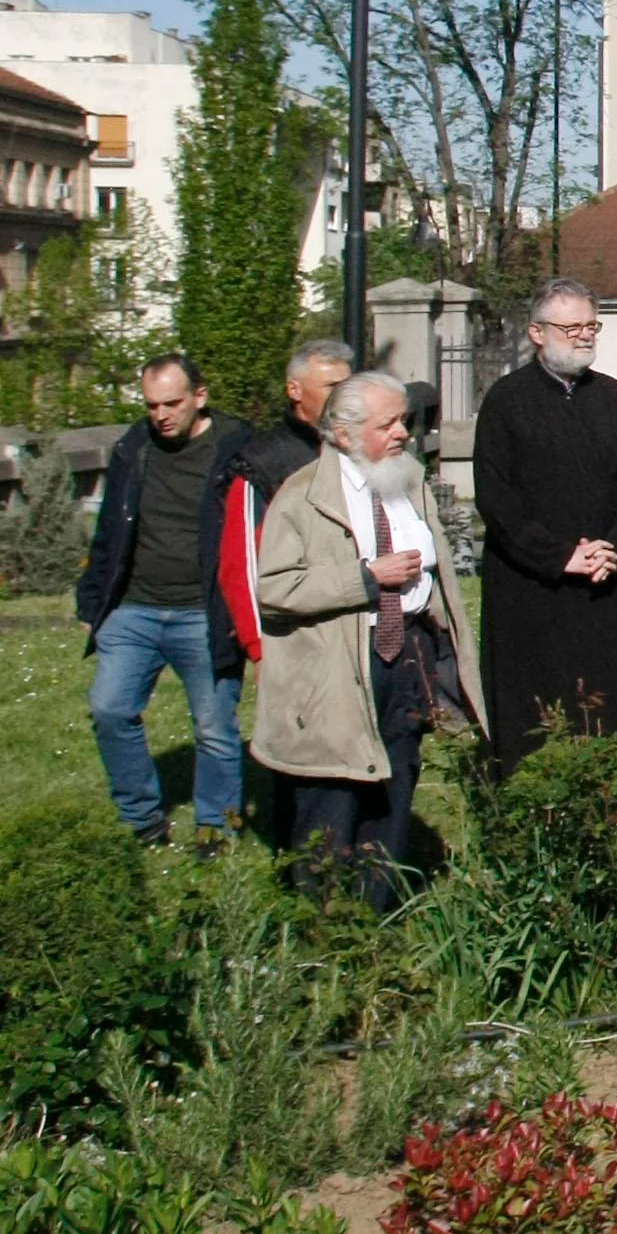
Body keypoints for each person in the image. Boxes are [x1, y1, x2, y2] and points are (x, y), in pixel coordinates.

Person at [252, 370, 480, 911]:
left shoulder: (408, 483)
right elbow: (275, 588)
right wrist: (365, 578)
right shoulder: (302, 496)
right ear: (344, 433)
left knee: (396, 787)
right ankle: (324, 925)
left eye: (403, 420)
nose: (403, 432)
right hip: (335, 673)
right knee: (332, 798)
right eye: (388, 424)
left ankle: (380, 914)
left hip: (405, 660)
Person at [472, 279, 617, 769]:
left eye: (591, 326)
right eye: (572, 327)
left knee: (606, 720)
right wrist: (560, 556)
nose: (584, 336)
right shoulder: (506, 401)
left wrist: (615, 547)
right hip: (531, 587)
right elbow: (497, 498)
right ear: (537, 332)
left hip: (601, 583)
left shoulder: (612, 400)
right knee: (535, 720)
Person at [73, 353, 250, 847]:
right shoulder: (134, 447)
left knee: (215, 727)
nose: (161, 415)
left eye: (172, 403)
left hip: (205, 613)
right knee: (109, 709)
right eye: (152, 405)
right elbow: (109, 530)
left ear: (200, 396)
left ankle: (216, 824)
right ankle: (142, 820)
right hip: (134, 609)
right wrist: (92, 607)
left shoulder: (238, 448)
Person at [240, 338, 357, 506]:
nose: (346, 395)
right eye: (332, 387)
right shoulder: (260, 460)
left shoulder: (364, 445)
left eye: (349, 386)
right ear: (295, 390)